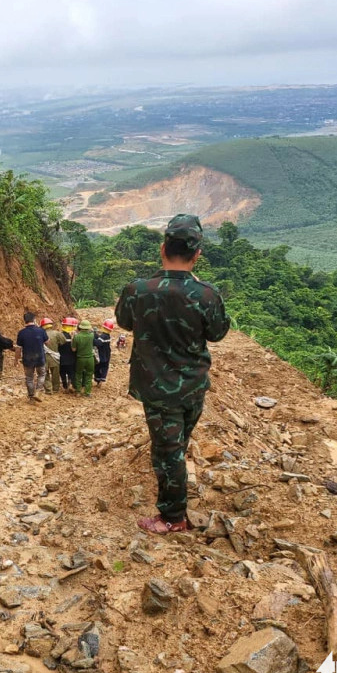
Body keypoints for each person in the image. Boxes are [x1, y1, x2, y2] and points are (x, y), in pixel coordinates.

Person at [115, 214, 230, 534]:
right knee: (174, 447)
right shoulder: (208, 295)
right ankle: (173, 504)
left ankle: (172, 517)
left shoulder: (137, 290)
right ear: (197, 254)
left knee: (167, 453)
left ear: (163, 247)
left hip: (155, 388)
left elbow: (124, 323)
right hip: (193, 386)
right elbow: (218, 333)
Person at [14, 312, 49, 403]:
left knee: (29, 378)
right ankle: (38, 390)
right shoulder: (41, 331)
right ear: (34, 320)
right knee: (42, 374)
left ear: (25, 321)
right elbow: (47, 342)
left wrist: (16, 360)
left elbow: (18, 349)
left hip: (27, 359)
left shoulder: (21, 333)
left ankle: (31, 397)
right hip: (40, 358)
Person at [70, 320, 96, 397]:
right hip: (90, 358)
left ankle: (78, 391)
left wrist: (72, 338)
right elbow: (92, 331)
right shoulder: (91, 335)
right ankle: (87, 392)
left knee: (78, 374)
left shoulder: (77, 337)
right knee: (89, 375)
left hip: (80, 358)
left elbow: (73, 349)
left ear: (80, 327)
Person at [40, 318, 62, 395]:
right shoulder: (57, 333)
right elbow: (63, 341)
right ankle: (56, 389)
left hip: (43, 357)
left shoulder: (40, 334)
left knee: (45, 373)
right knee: (55, 373)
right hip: (55, 357)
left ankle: (48, 389)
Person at [57, 317, 78, 392]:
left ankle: (65, 386)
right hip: (72, 360)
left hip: (61, 359)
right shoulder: (74, 336)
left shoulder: (59, 335)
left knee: (62, 373)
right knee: (71, 373)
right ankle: (70, 384)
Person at [94, 319, 114, 386]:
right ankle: (102, 379)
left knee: (97, 367)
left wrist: (93, 338)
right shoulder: (107, 336)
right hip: (107, 354)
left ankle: (98, 380)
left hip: (101, 354)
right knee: (105, 367)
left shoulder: (103, 336)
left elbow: (98, 343)